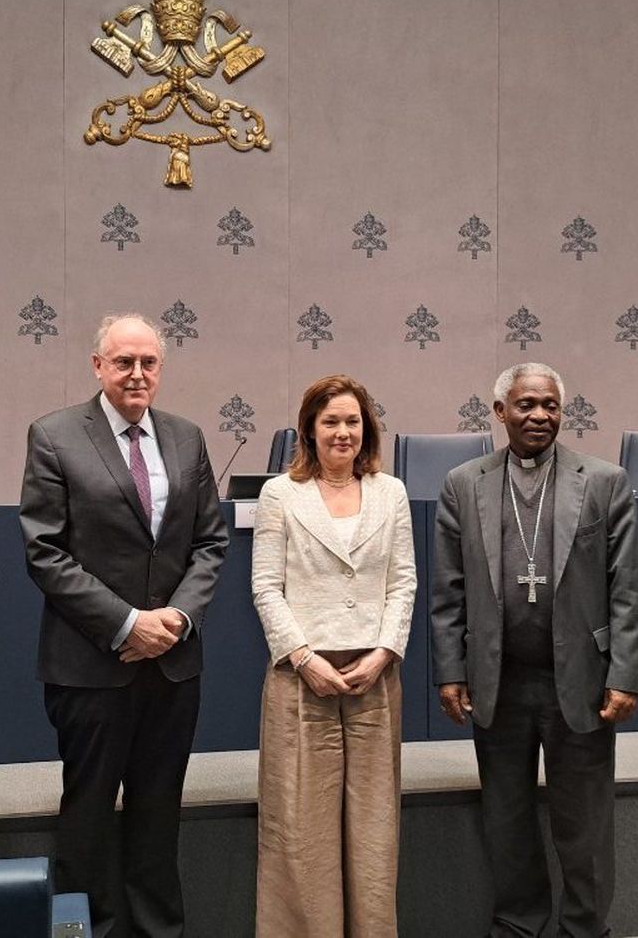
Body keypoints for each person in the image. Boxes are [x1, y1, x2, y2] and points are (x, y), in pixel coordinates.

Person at [19, 313, 228, 938]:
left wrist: (179, 618)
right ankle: (90, 929)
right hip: (91, 664)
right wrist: (127, 623)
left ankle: (159, 930)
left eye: (149, 363)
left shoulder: (187, 438)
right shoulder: (55, 435)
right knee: (87, 815)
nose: (137, 374)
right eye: (124, 362)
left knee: (159, 811)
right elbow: (44, 550)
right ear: (98, 366)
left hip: (173, 662)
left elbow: (210, 544)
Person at [431, 362, 638, 938]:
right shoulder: (463, 483)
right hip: (497, 681)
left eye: (550, 405)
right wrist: (450, 671)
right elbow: (446, 591)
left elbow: (627, 589)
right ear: (499, 412)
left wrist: (625, 676)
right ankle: (518, 926)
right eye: (526, 405)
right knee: (507, 820)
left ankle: (585, 929)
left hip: (579, 680)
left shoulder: (604, 481)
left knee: (586, 825)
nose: (540, 416)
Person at [250, 374, 417, 938]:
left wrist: (385, 652)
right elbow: (265, 587)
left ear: (365, 428)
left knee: (374, 829)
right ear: (310, 430)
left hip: (373, 677)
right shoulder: (280, 494)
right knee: (301, 829)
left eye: (352, 421)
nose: (343, 432)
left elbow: (404, 583)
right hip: (302, 678)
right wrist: (302, 656)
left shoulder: (390, 492)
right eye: (331, 422)